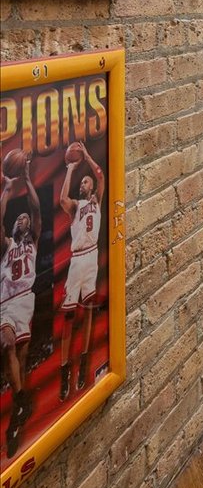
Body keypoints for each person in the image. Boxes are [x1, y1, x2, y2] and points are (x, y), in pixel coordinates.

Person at [0, 156, 41, 458]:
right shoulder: (7, 244)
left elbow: (37, 209)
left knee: (22, 359)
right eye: (18, 219)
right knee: (7, 344)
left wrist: (26, 178)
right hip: (5, 302)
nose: (21, 220)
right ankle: (21, 399)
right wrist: (6, 190)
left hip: (26, 298)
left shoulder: (32, 242)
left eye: (24, 220)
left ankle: (17, 412)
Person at [59, 142, 104, 401]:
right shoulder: (75, 206)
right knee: (68, 317)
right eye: (83, 182)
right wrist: (70, 168)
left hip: (92, 256)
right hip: (77, 261)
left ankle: (84, 361)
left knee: (88, 310)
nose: (84, 184)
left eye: (85, 182)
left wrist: (86, 155)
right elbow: (61, 199)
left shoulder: (98, 200)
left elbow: (100, 176)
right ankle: (65, 368)